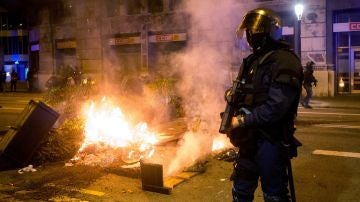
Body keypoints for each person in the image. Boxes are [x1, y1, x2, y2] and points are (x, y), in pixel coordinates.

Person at [222, 8, 303, 201]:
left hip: (270, 140)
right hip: (249, 139)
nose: (251, 35)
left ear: (271, 31)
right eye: (250, 31)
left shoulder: (285, 61)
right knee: (240, 190)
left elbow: (276, 108)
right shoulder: (253, 60)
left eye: (256, 30)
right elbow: (248, 92)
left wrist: (240, 121)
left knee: (273, 195)